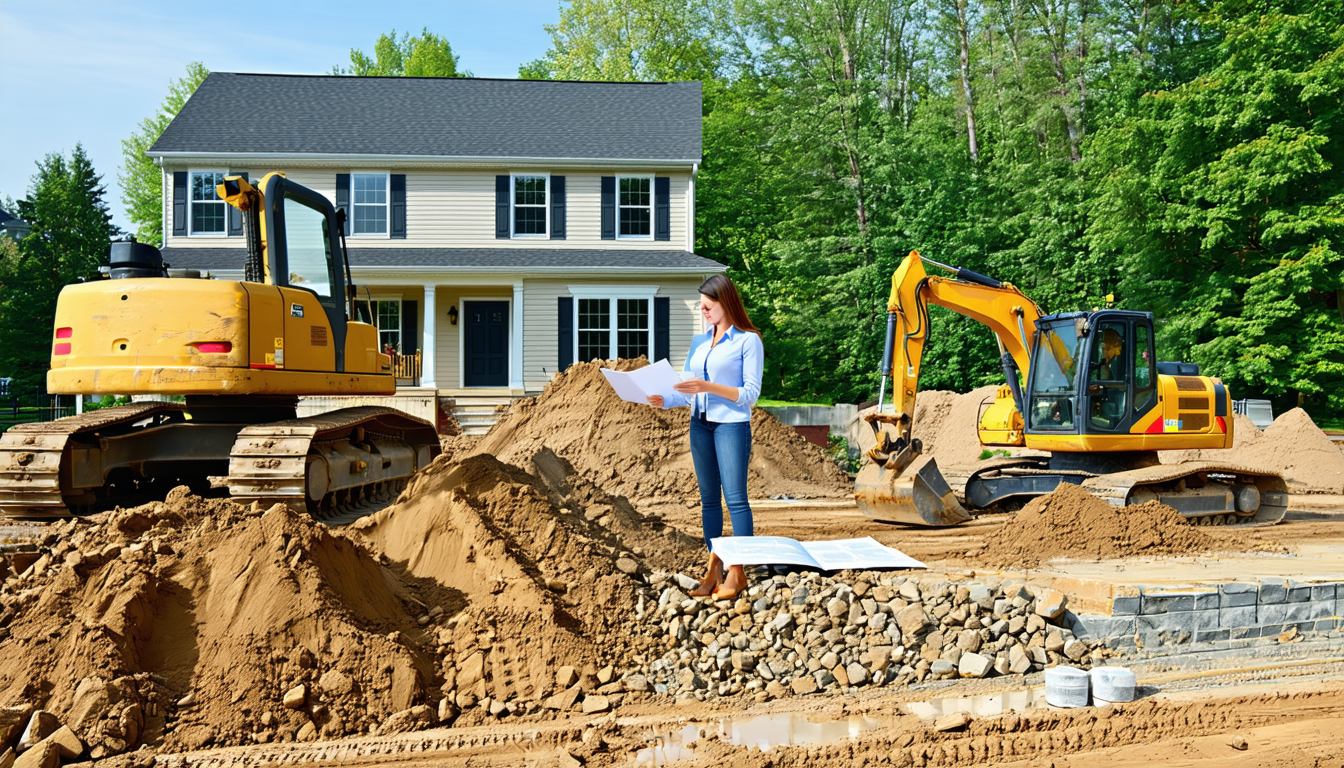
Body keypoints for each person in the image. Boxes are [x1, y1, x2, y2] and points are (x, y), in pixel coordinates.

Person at [647, 275, 764, 600]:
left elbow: (750, 394)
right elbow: (687, 389)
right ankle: (714, 568)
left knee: (736, 499)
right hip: (699, 424)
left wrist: (707, 386)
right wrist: (664, 399)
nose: (703, 311)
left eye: (708, 306)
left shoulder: (748, 341)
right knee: (709, 500)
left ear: (726, 303)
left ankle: (737, 570)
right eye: (701, 306)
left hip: (731, 426)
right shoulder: (699, 343)